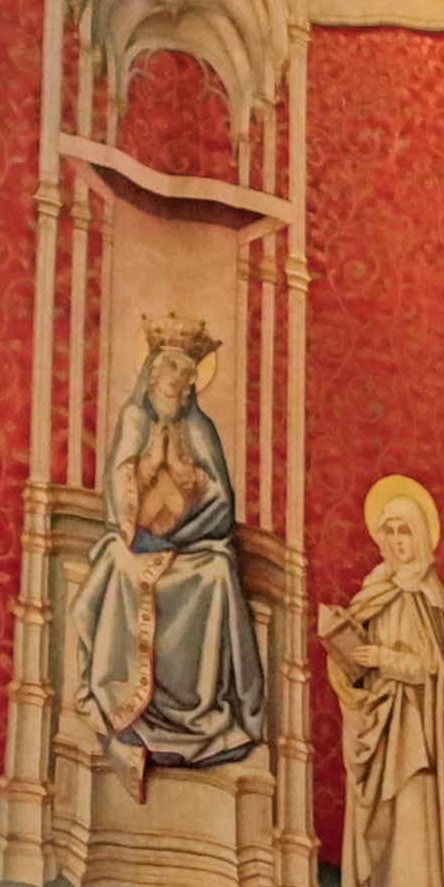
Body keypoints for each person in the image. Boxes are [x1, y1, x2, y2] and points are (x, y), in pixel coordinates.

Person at [73, 312, 267, 787]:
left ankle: (198, 710)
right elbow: (118, 491)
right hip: (138, 544)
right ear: (153, 370)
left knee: (221, 571)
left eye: (186, 372)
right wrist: (144, 471)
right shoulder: (135, 417)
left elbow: (222, 502)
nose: (177, 380)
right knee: (118, 567)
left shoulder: (200, 428)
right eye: (170, 368)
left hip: (191, 547)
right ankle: (130, 705)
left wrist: (190, 482)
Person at [318, 473, 444, 887]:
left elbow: (431, 670)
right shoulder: (376, 589)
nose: (398, 543)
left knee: (412, 816)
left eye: (405, 532)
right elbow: (360, 653)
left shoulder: (428, 595)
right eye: (390, 532)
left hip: (414, 729)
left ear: (420, 537)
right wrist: (346, 654)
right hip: (377, 719)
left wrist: (383, 659)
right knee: (383, 815)